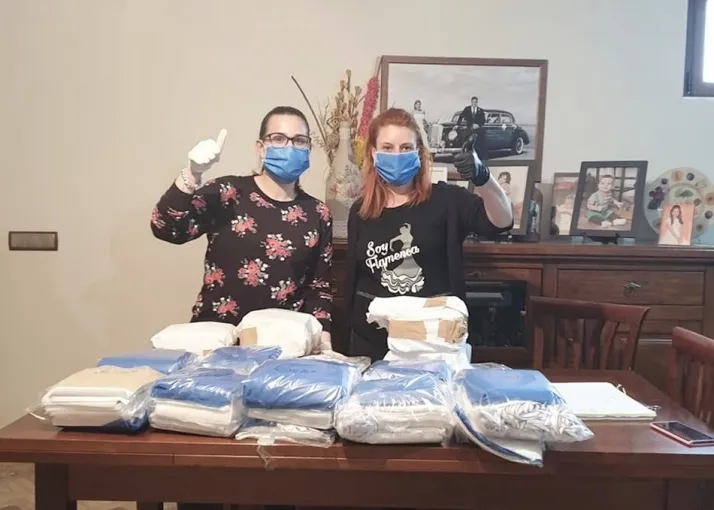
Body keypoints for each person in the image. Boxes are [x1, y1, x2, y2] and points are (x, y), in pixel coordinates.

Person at [344, 108, 513, 361]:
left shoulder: (447, 200)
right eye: (387, 148)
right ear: (373, 153)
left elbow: (502, 221)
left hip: (433, 345)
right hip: (371, 345)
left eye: (405, 148)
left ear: (419, 153)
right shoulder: (361, 210)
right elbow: (353, 278)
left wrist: (483, 177)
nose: (396, 155)